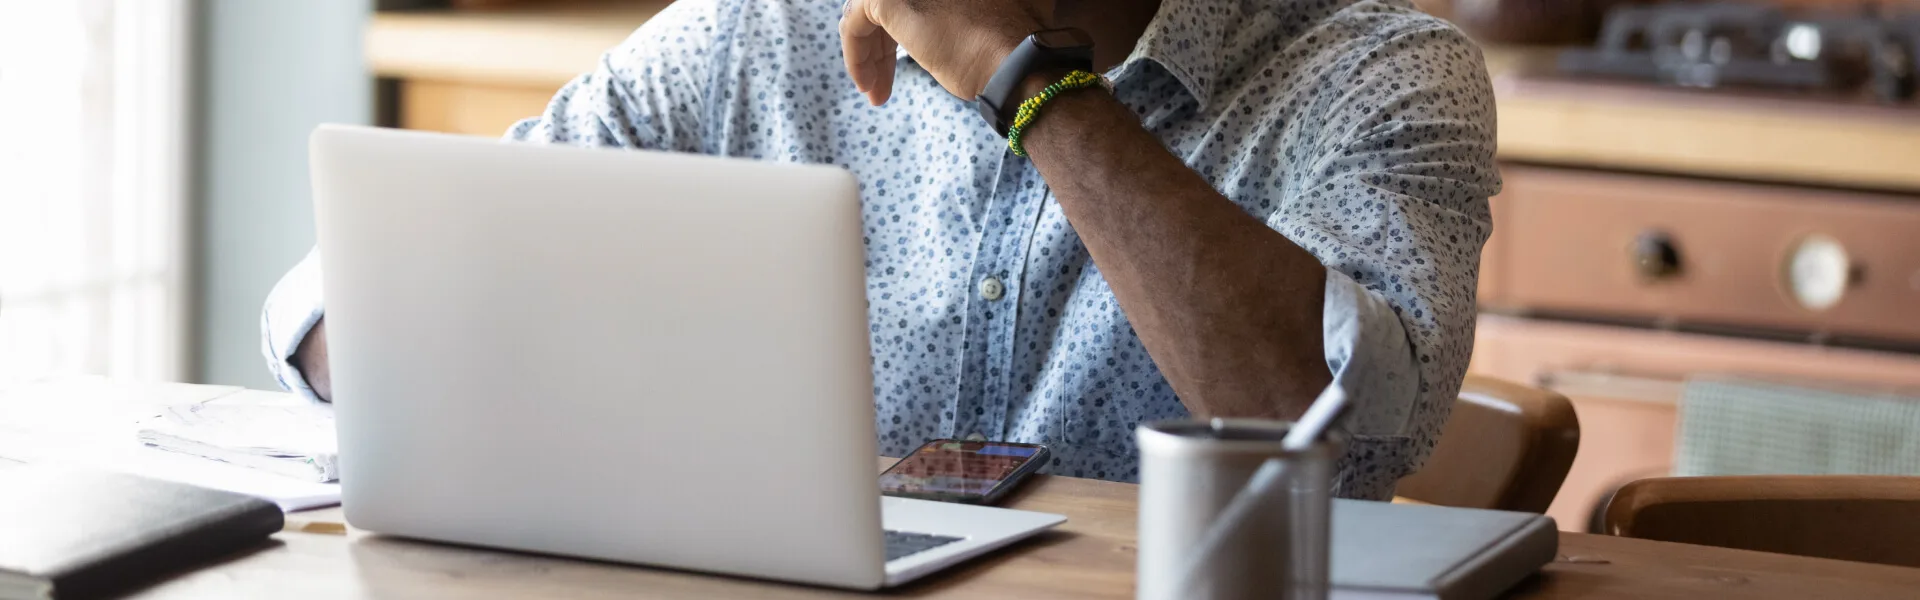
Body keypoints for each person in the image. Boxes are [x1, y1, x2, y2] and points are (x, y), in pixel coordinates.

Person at [262, 0, 1498, 501]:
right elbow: (341, 303)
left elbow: (1339, 432)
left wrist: (1026, 85)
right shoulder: (751, 37)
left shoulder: (1379, 71)